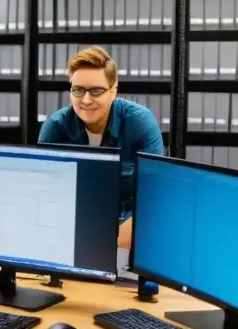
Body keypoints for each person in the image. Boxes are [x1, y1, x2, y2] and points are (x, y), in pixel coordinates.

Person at [37, 46, 165, 249]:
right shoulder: (56, 127)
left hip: (131, 237)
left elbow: (155, 197)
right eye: (78, 90)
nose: (86, 100)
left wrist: (109, 248)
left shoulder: (139, 122)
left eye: (96, 91)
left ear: (114, 90)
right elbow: (46, 197)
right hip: (73, 235)